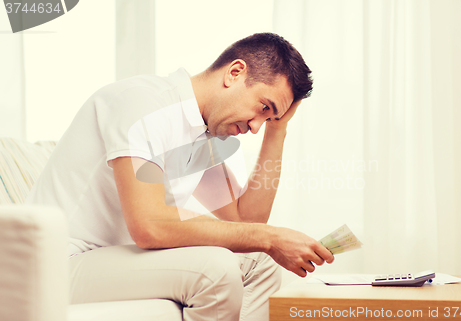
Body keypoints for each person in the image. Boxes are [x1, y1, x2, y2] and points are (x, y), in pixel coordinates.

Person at [26, 32, 334, 321]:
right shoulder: (144, 104)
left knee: (260, 264)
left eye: (268, 118)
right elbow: (149, 226)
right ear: (235, 73)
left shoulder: (201, 135)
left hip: (108, 260)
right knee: (216, 269)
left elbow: (244, 222)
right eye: (263, 108)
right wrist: (269, 238)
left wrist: (278, 128)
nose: (256, 127)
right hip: (55, 264)